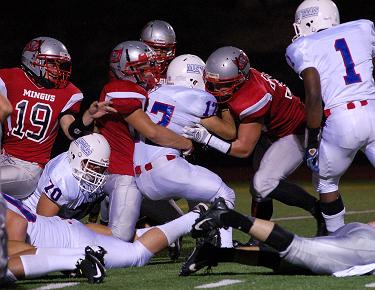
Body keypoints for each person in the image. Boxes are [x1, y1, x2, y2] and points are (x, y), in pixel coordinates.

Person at [183, 46, 325, 238]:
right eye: (212, 84)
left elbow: (243, 149)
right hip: (270, 133)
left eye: (223, 85)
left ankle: (319, 210)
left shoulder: (253, 95)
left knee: (262, 184)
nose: (216, 90)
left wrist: (207, 138)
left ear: (239, 80)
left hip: (294, 132)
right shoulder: (243, 81)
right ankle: (260, 238)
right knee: (258, 190)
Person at [285, 0, 375, 233]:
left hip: (342, 118)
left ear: (309, 20)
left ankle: (337, 239)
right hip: (372, 110)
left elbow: (314, 93)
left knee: (325, 181)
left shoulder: (303, 46)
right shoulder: (363, 28)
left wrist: (312, 140)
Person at [134, 54, 236, 247]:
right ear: (193, 78)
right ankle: (224, 246)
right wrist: (224, 103)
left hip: (138, 176)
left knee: (200, 192)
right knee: (225, 194)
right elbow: (229, 132)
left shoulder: (151, 92)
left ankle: (146, 234)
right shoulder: (196, 98)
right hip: (166, 169)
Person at [95, 40, 192, 242]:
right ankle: (64, 233)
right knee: (120, 237)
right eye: (141, 68)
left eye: (149, 66)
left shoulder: (135, 89)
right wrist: (186, 143)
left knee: (178, 225)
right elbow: (152, 132)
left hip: (139, 172)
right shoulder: (120, 89)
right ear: (123, 70)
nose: (148, 72)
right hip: (124, 173)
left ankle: (114, 213)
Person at [0, 36, 115, 200]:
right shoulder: (9, 78)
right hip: (4, 155)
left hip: (28, 167)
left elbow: (71, 132)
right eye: (52, 63)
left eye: (60, 65)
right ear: (32, 60)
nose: (57, 70)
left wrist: (88, 116)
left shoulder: (68, 92)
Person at [3, 192, 207, 283]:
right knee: (123, 241)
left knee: (137, 255)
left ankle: (199, 216)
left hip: (70, 241)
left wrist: (28, 255)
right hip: (63, 230)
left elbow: (17, 224)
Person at [180, 197, 375, 277]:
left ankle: (216, 254)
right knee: (298, 249)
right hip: (367, 247)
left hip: (362, 236)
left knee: (297, 264)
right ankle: (227, 216)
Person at [21, 133, 110, 220]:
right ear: (76, 156)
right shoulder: (63, 178)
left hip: (64, 211)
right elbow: (43, 220)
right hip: (32, 215)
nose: (96, 172)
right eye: (91, 165)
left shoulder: (77, 166)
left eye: (101, 167)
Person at [140, 19, 176, 85]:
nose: (159, 53)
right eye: (154, 48)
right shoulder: (134, 69)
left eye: (164, 49)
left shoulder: (174, 70)